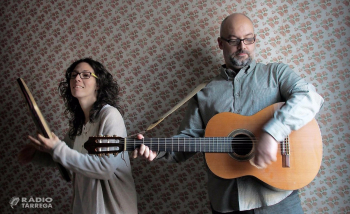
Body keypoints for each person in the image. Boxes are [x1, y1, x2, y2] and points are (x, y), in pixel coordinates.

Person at [133, 13, 324, 213]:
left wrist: (273, 133)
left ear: (255, 40)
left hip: (278, 199)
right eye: (233, 40)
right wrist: (157, 149)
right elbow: (187, 142)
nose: (242, 47)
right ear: (220, 43)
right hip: (227, 203)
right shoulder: (204, 92)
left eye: (248, 39)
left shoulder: (276, 74)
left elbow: (310, 97)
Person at [18, 58, 137, 214]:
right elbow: (66, 157)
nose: (77, 78)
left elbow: (105, 168)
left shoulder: (110, 115)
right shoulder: (79, 126)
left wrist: (57, 148)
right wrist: (37, 154)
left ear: (98, 83)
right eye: (73, 75)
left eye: (85, 75)